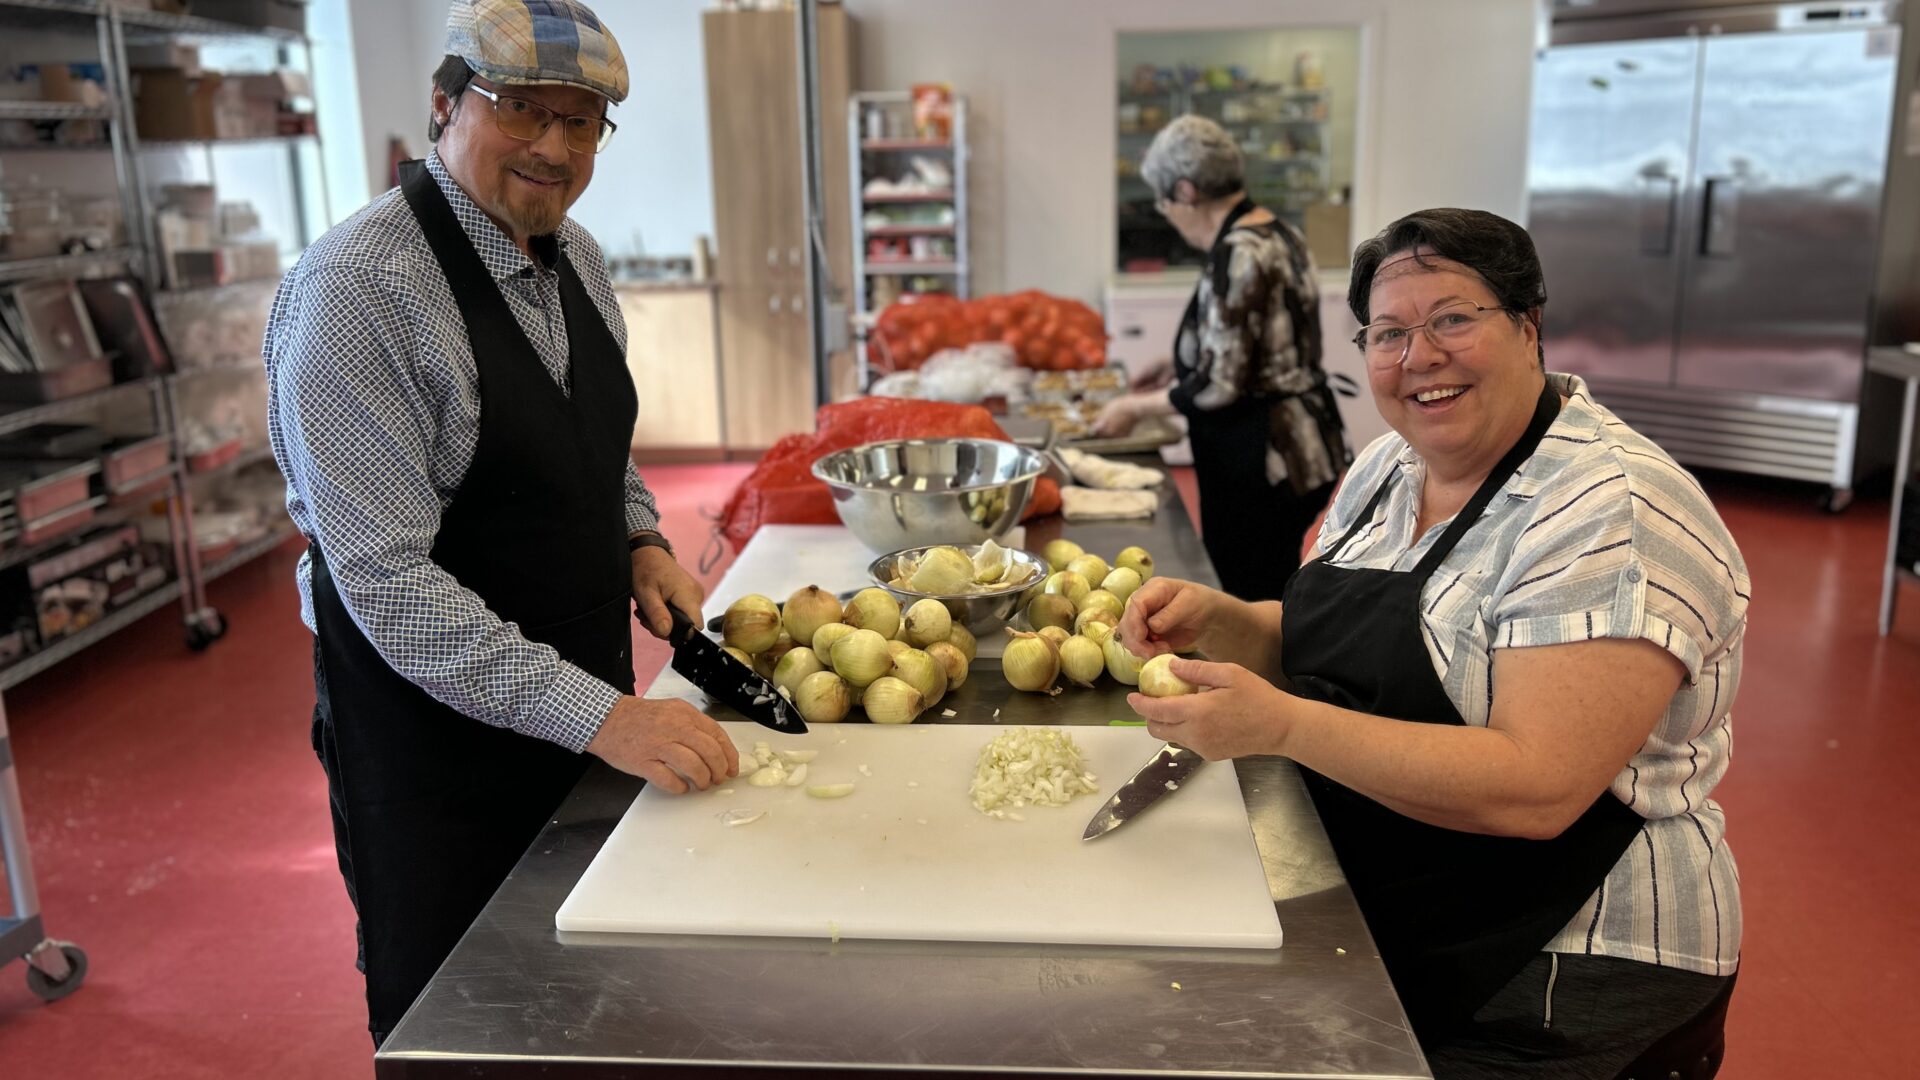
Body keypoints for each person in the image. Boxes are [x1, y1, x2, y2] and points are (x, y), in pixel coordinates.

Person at [1122, 209, 1745, 1078]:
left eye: (1452, 319)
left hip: (1560, 966)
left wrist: (1285, 727)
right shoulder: (1390, 464)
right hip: (1413, 902)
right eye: (1388, 333)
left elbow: (1538, 788)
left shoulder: (1611, 509)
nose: (1418, 357)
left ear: (1528, 326)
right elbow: (1337, 644)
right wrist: (1226, 621)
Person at [263, 0, 738, 1045]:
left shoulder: (578, 261)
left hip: (577, 708)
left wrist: (642, 538)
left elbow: (595, 451)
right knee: (471, 1021)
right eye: (522, 110)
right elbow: (384, 584)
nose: (554, 148)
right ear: (444, 105)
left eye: (582, 124)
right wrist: (606, 718)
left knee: (586, 993)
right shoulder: (361, 293)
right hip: (437, 756)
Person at [1095, 115, 1351, 599]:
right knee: (1272, 577)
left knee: (1245, 588)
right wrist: (1177, 362)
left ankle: (1258, 671)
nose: (1165, 213)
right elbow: (1263, 339)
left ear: (1187, 192)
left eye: (1165, 201)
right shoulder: (1279, 232)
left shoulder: (1238, 251)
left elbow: (1221, 386)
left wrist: (1133, 407)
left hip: (1264, 455)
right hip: (1307, 442)